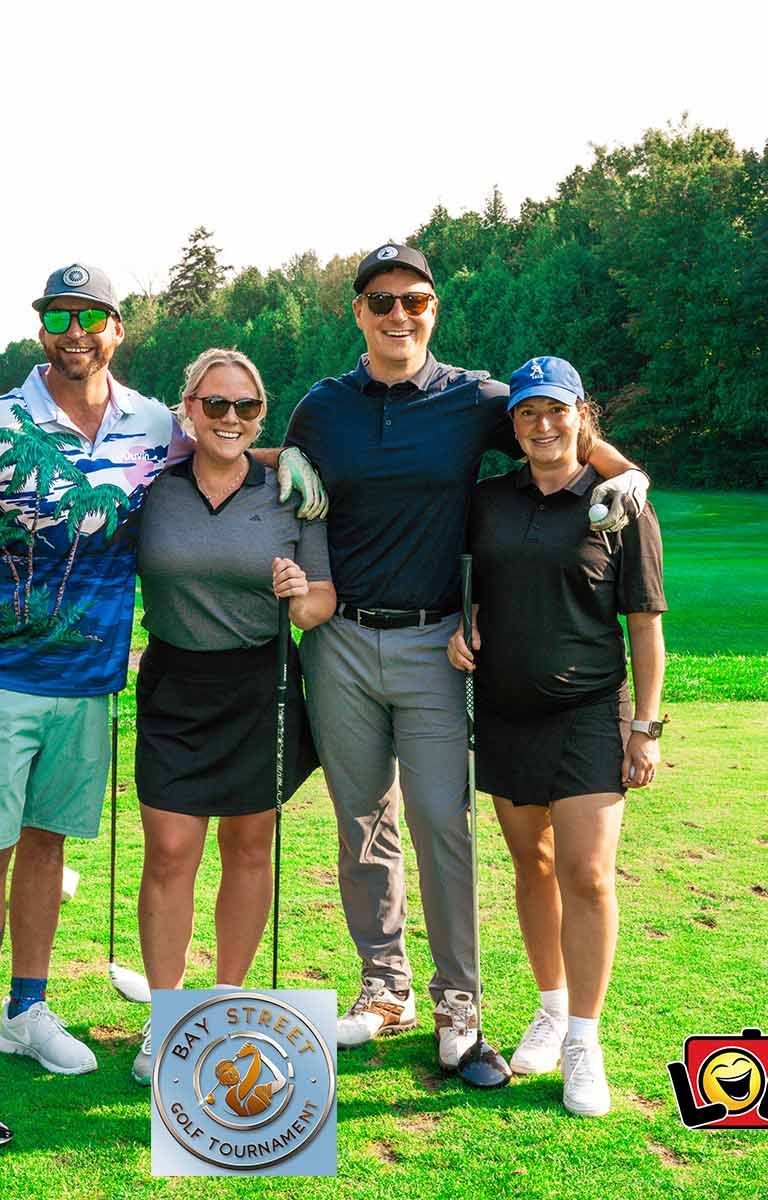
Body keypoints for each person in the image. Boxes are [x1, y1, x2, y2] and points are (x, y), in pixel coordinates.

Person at [0, 265, 321, 1107]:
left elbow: (222, 442)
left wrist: (282, 455)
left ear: (118, 328)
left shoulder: (153, 423)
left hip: (91, 683)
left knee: (48, 844)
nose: (74, 332)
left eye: (91, 318)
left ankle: (27, 1012)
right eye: (57, 317)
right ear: (43, 328)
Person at [278, 242, 652, 1075]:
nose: (398, 316)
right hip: (338, 644)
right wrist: (283, 456)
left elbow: (554, 424)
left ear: (433, 310)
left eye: (413, 301)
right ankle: (385, 985)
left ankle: (459, 1000)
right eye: (381, 302)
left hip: (435, 641)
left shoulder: (473, 398)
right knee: (361, 822)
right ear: (359, 312)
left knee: (442, 823)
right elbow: (259, 455)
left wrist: (626, 474)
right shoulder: (322, 406)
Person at [447, 355, 666, 1117]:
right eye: (528, 413)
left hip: (587, 711)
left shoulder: (619, 503)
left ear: (582, 416)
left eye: (557, 411)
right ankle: (547, 1008)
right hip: (504, 709)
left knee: (589, 875)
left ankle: (583, 1038)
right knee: (532, 866)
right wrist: (461, 626)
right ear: (513, 425)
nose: (543, 426)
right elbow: (468, 584)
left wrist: (646, 725)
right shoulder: (489, 500)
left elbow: (645, 623)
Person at [126, 348, 334, 1085]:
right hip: (176, 683)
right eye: (215, 404)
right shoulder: (153, 487)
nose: (230, 419)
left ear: (260, 416)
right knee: (171, 851)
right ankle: (166, 1014)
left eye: (245, 408)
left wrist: (297, 589)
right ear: (189, 409)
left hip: (260, 682)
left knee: (249, 848)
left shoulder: (289, 492)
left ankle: (225, 1001)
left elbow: (320, 606)